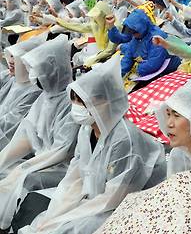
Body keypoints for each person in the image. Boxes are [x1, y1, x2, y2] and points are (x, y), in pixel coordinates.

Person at [18, 56, 166, 234]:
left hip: (126, 205)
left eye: (81, 102)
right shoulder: (87, 129)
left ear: (104, 102)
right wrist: (56, 213)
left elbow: (114, 197)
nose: (75, 107)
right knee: (48, 223)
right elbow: (77, 174)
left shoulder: (124, 139)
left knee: (73, 228)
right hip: (97, 197)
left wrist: (66, 218)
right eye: (73, 101)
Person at [0, 35, 79, 231]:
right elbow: (27, 134)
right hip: (41, 159)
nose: (33, 75)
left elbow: (62, 151)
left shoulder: (71, 102)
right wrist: (3, 158)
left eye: (37, 70)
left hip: (61, 167)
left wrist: (25, 167)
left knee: (22, 181)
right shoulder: (45, 97)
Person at [0, 34, 44, 150]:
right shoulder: (11, 78)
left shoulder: (35, 91)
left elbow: (11, 123)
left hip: (9, 141)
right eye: (11, 56)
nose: (10, 62)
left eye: (16, 58)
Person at [107, 9, 181, 78]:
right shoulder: (136, 37)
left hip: (169, 72)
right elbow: (128, 57)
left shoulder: (157, 37)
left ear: (142, 27)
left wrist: (137, 69)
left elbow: (153, 64)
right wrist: (116, 75)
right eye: (131, 32)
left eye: (135, 32)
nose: (133, 35)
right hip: (150, 72)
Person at [55, 1, 117, 67]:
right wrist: (56, 20)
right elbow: (77, 27)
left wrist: (94, 59)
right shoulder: (96, 24)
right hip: (94, 54)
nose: (95, 19)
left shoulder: (114, 27)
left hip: (104, 59)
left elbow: (109, 50)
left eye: (96, 17)